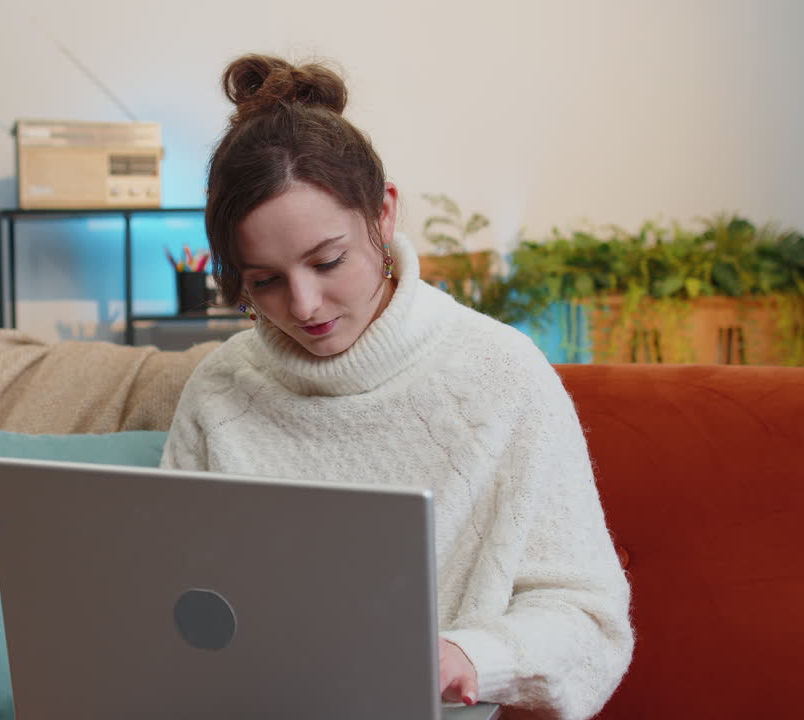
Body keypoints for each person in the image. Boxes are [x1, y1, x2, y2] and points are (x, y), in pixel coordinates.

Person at [161, 54, 633, 719]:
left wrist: (471, 655)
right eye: (262, 280)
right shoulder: (220, 388)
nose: (303, 306)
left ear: (383, 215)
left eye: (328, 262)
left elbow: (590, 620)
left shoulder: (502, 374)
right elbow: (172, 598)